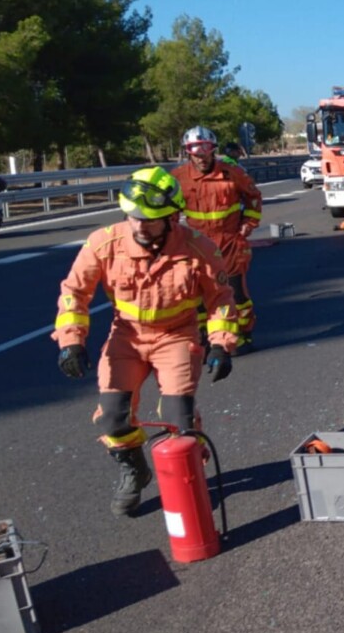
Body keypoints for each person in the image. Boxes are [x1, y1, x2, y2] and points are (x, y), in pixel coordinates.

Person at [53, 167, 238, 517]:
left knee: (179, 420)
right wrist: (71, 341)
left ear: (171, 218)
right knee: (113, 417)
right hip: (127, 337)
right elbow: (74, 292)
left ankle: (189, 477)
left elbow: (221, 299)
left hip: (177, 336)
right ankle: (134, 469)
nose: (139, 225)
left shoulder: (198, 248)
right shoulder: (104, 243)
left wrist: (220, 344)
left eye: (150, 220)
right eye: (133, 216)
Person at [171, 126, 263, 353]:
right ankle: (206, 337)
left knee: (235, 291)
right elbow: (169, 209)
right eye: (196, 152)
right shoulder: (178, 178)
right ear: (188, 152)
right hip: (196, 243)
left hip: (229, 240)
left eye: (206, 150)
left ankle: (243, 335)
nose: (201, 157)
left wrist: (248, 224)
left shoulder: (232, 173)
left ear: (213, 150)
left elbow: (253, 196)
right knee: (198, 294)